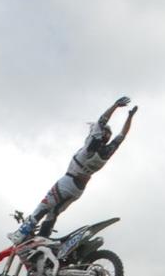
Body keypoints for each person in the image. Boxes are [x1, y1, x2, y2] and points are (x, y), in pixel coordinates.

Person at [18, 97, 139, 246]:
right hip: (78, 190)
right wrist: (129, 117)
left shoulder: (91, 144)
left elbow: (102, 120)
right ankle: (42, 241)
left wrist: (114, 106)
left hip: (68, 181)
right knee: (53, 213)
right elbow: (122, 136)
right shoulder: (108, 151)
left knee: (44, 207)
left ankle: (21, 234)